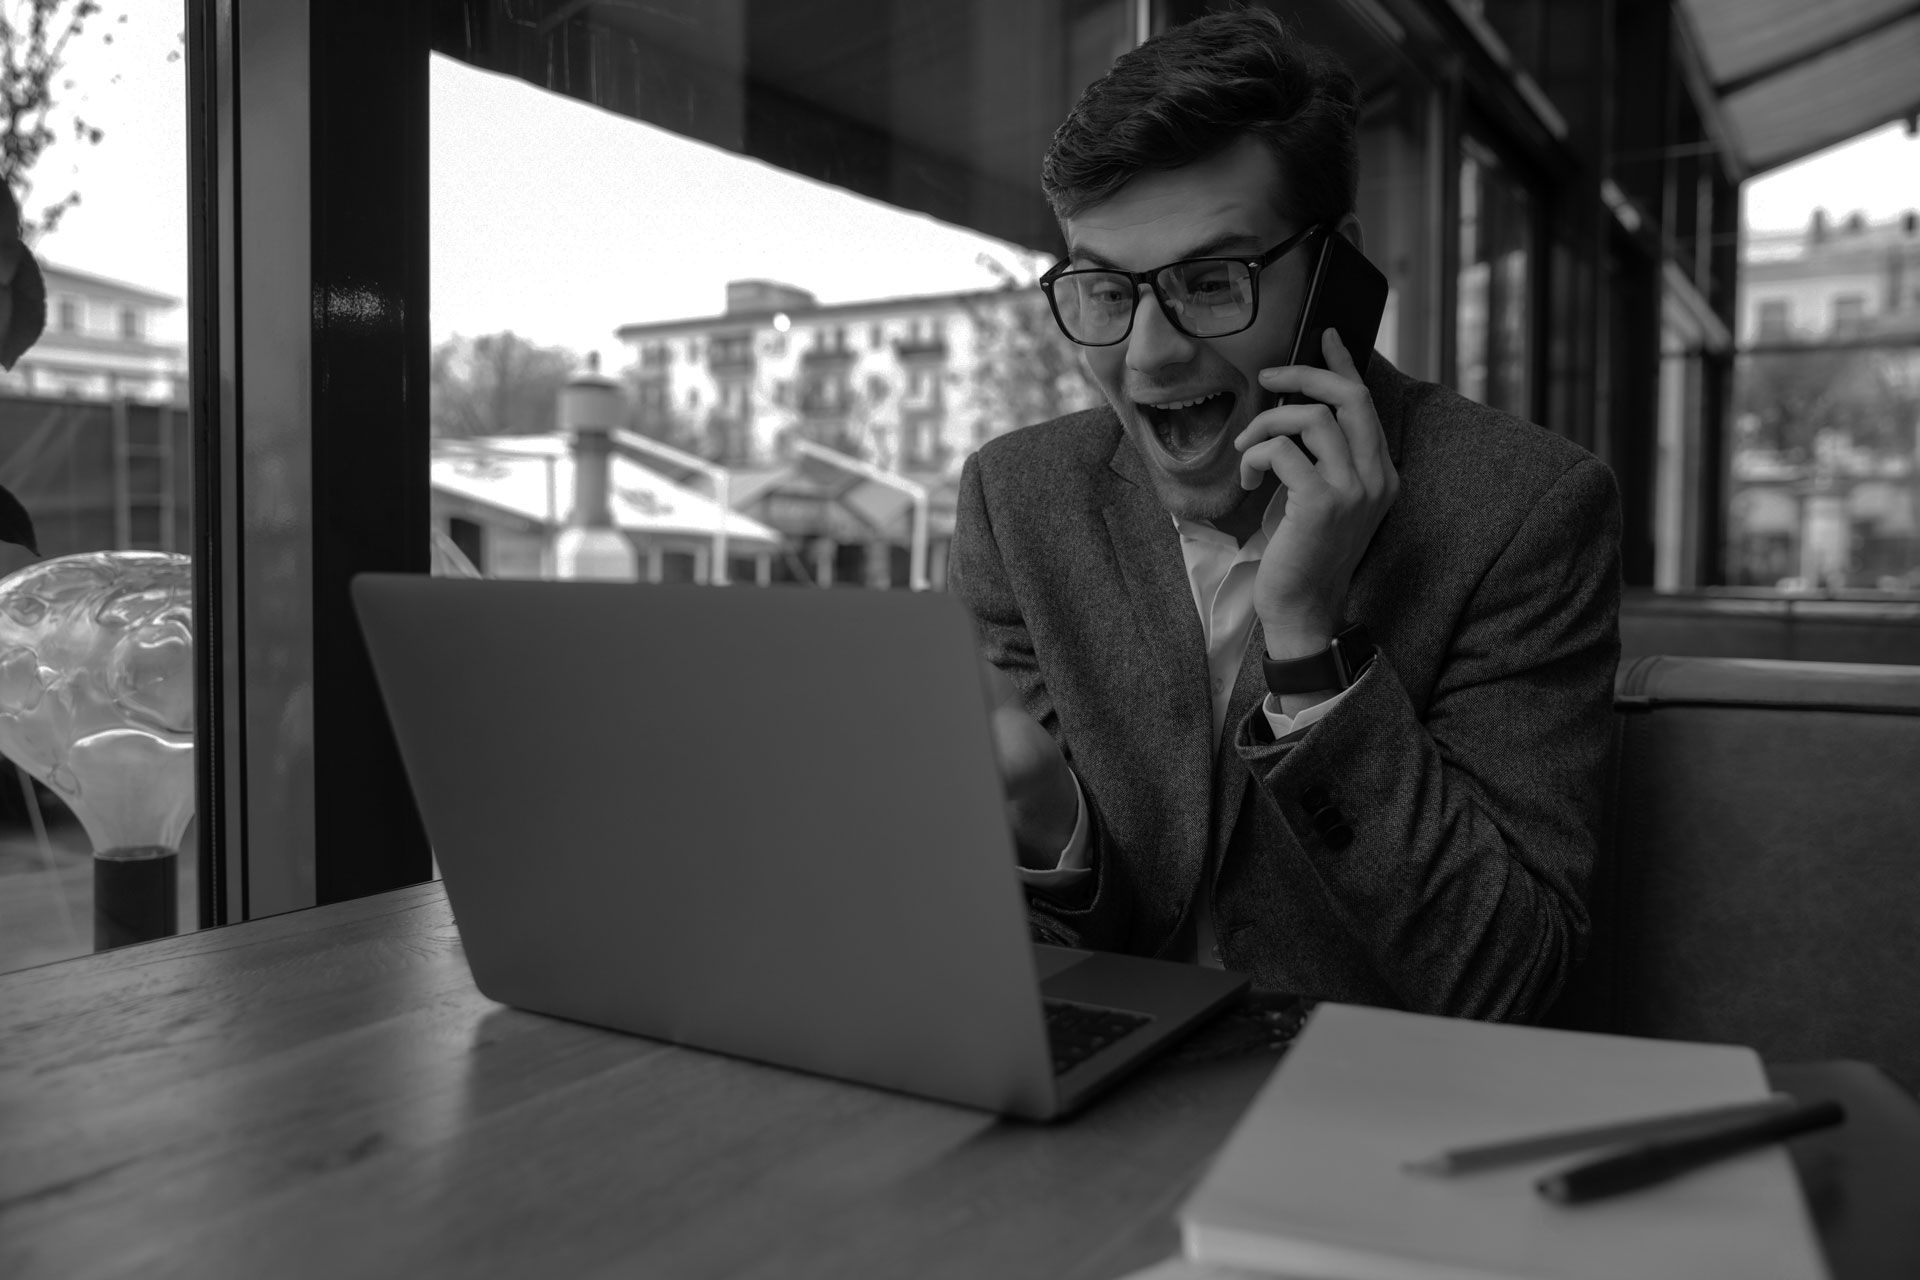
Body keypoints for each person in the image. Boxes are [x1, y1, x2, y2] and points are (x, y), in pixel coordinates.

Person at [949, 7, 1620, 1022]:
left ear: (1335, 274)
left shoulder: (1526, 512)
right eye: (1102, 287)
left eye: (1212, 280)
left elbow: (1505, 978)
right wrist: (1046, 819)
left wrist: (1310, 647)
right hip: (1101, 1106)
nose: (1148, 354)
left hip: (1371, 1111)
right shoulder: (1016, 500)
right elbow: (1028, 961)